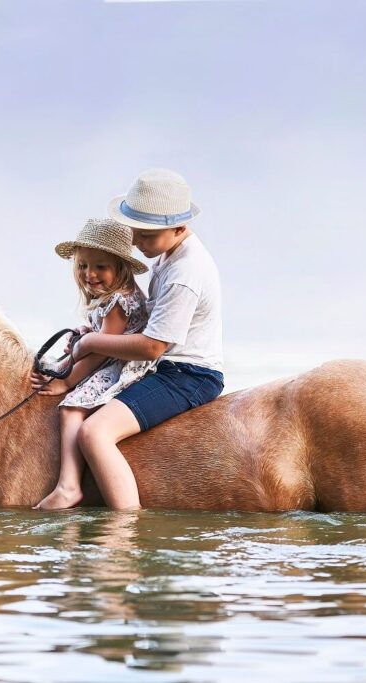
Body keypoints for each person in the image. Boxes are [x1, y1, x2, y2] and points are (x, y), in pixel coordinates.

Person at [70, 169, 225, 510]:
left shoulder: (185, 273)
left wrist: (92, 343)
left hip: (186, 375)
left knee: (95, 433)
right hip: (163, 366)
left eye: (145, 237)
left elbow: (154, 345)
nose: (137, 244)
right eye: (135, 233)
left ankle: (126, 526)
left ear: (179, 228)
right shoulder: (167, 255)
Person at [31, 218, 155, 510]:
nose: (90, 274)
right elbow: (102, 339)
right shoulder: (112, 297)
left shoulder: (118, 302)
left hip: (124, 366)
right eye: (83, 266)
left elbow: (100, 352)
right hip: (114, 358)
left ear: (121, 269)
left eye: (101, 266)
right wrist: (85, 337)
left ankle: (68, 486)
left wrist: (67, 380)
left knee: (72, 406)